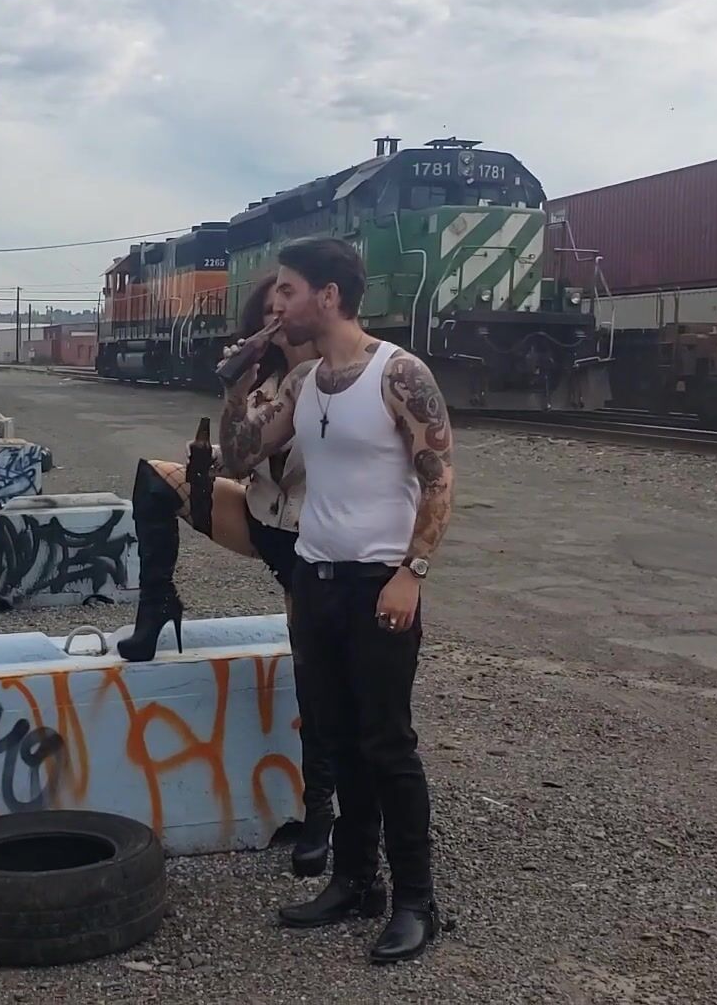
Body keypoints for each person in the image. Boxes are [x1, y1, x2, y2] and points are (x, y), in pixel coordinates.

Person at [217, 236, 455, 964]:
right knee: (337, 737)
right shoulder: (304, 382)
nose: (276, 303)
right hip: (315, 580)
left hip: (378, 584)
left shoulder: (399, 374)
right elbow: (240, 455)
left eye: (288, 290)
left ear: (328, 296)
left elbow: (440, 478)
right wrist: (237, 383)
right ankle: (355, 882)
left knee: (387, 746)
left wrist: (412, 572)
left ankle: (416, 900)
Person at [122, 274, 338, 878]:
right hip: (261, 519)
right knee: (156, 479)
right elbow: (244, 456)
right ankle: (158, 606)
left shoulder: (333, 380)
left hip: (312, 541)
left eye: (283, 305)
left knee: (314, 675)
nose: (274, 317)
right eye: (266, 309)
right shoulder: (264, 378)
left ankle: (320, 809)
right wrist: (227, 414)